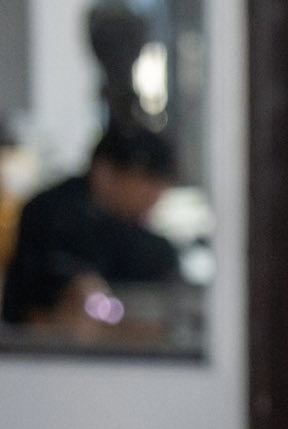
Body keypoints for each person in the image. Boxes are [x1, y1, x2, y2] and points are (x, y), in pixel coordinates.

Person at [0, 125, 181, 325]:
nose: (153, 196)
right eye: (145, 181)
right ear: (105, 173)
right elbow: (32, 305)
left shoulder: (151, 246)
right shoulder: (51, 215)